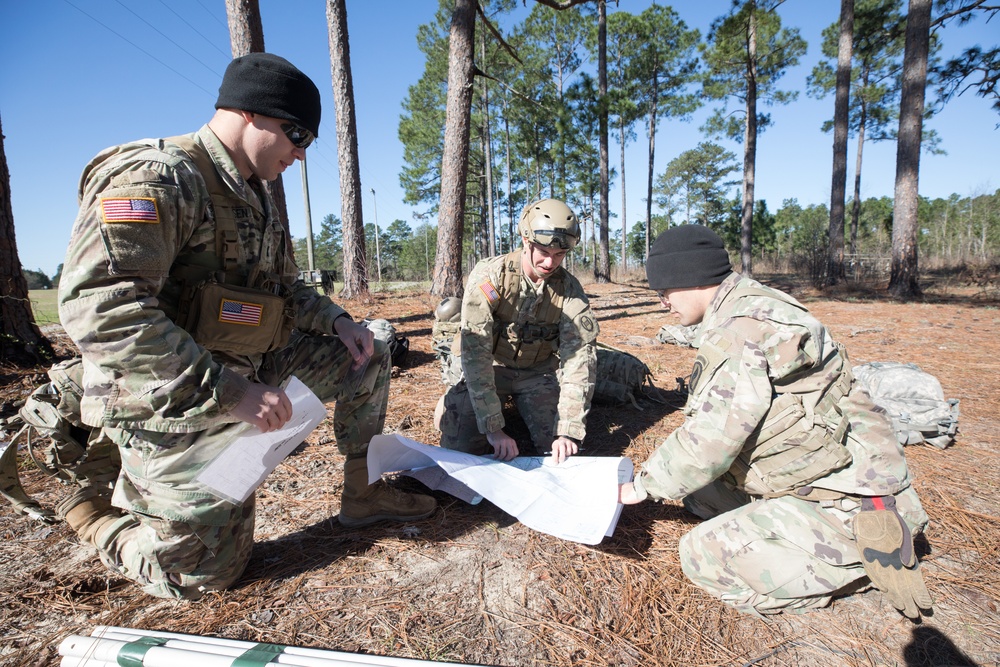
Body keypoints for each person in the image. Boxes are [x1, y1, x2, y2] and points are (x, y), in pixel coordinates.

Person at [55, 52, 436, 600]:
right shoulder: (160, 177)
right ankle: (91, 513)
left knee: (371, 349)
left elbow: (284, 290)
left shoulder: (253, 193)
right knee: (203, 576)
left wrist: (338, 319)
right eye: (297, 135)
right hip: (171, 398)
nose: (301, 155)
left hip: (247, 372)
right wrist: (230, 393)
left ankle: (363, 493)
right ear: (251, 114)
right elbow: (101, 309)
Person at [618, 225, 932, 619]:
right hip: (843, 473)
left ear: (689, 278)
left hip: (850, 502)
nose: (663, 302)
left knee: (701, 556)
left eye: (664, 291)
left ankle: (857, 561)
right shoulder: (754, 303)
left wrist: (640, 487)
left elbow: (710, 441)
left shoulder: (739, 331)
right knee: (700, 496)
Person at [435, 199, 599, 464]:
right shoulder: (491, 277)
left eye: (559, 255)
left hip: (535, 373)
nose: (550, 262)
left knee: (557, 451)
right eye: (543, 252)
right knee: (459, 451)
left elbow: (580, 360)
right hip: (491, 368)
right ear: (526, 240)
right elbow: (476, 354)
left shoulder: (569, 290)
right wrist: (492, 426)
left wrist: (568, 430)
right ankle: (452, 400)